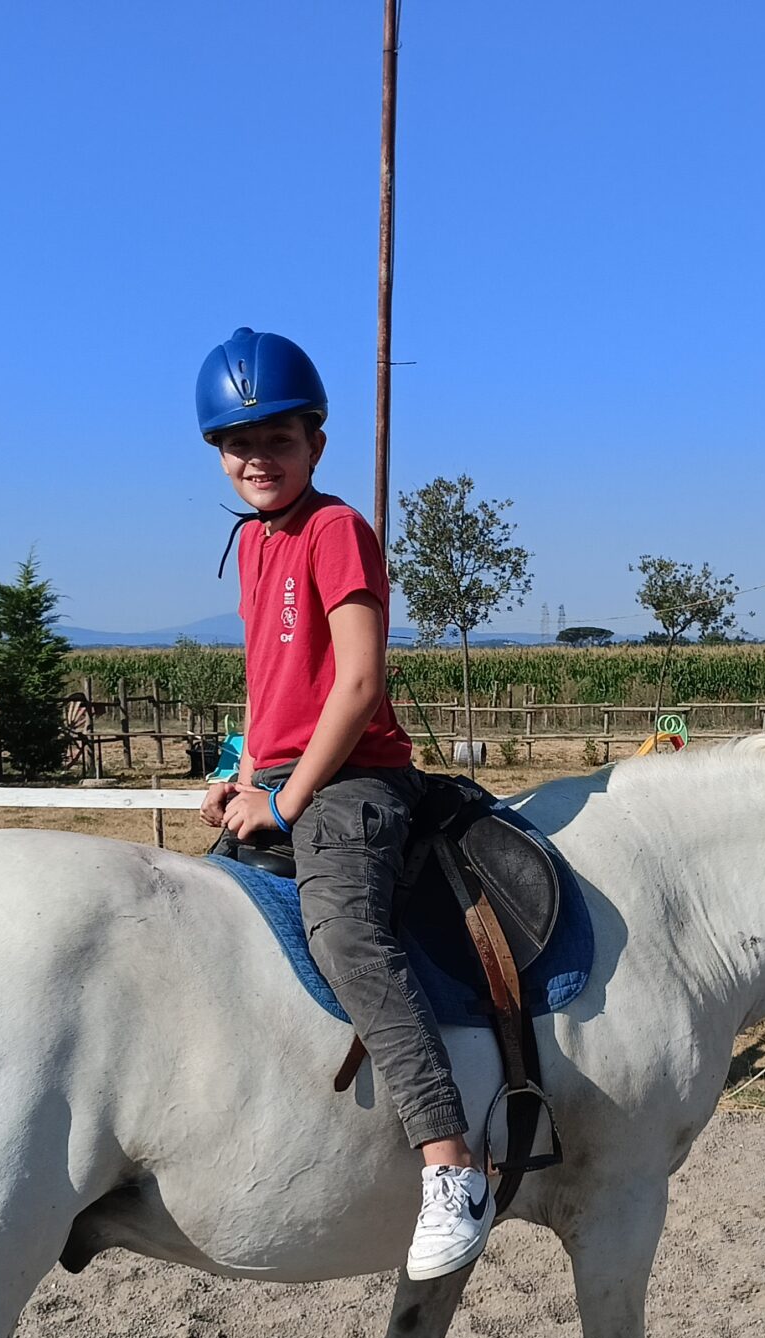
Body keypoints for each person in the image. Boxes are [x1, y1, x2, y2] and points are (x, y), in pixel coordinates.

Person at [193, 327, 492, 1280]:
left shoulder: (335, 531)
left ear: (316, 444)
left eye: (277, 439)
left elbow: (356, 684)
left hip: (354, 780)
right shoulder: (252, 546)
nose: (257, 459)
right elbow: (267, 679)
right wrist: (243, 770)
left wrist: (286, 803)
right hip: (279, 777)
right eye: (239, 444)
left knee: (348, 933)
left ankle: (449, 1161)